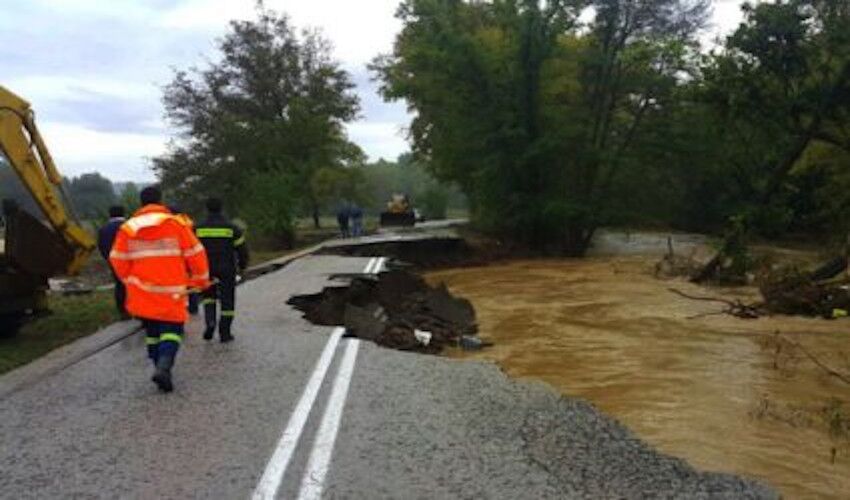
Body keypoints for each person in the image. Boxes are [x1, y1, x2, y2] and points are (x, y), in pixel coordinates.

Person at [110, 186, 210, 393]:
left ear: (141, 203)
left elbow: (117, 259)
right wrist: (201, 281)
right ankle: (164, 367)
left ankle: (158, 366)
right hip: (171, 290)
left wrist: (130, 281)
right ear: (160, 201)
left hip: (143, 292)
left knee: (153, 333)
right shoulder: (176, 224)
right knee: (172, 331)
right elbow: (196, 254)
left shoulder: (128, 228)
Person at [195, 197, 249, 342]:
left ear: (206, 209)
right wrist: (242, 267)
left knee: (208, 297)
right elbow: (242, 251)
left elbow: (192, 251)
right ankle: (225, 333)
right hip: (227, 268)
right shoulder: (232, 228)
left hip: (206, 269)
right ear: (221, 208)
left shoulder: (197, 228)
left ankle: (210, 322)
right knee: (227, 301)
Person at [97, 205, 128, 319]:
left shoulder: (103, 229)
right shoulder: (128, 226)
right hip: (130, 261)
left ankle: (123, 312)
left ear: (110, 214)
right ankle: (137, 310)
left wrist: (108, 258)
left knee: (119, 285)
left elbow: (101, 245)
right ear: (123, 213)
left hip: (113, 261)